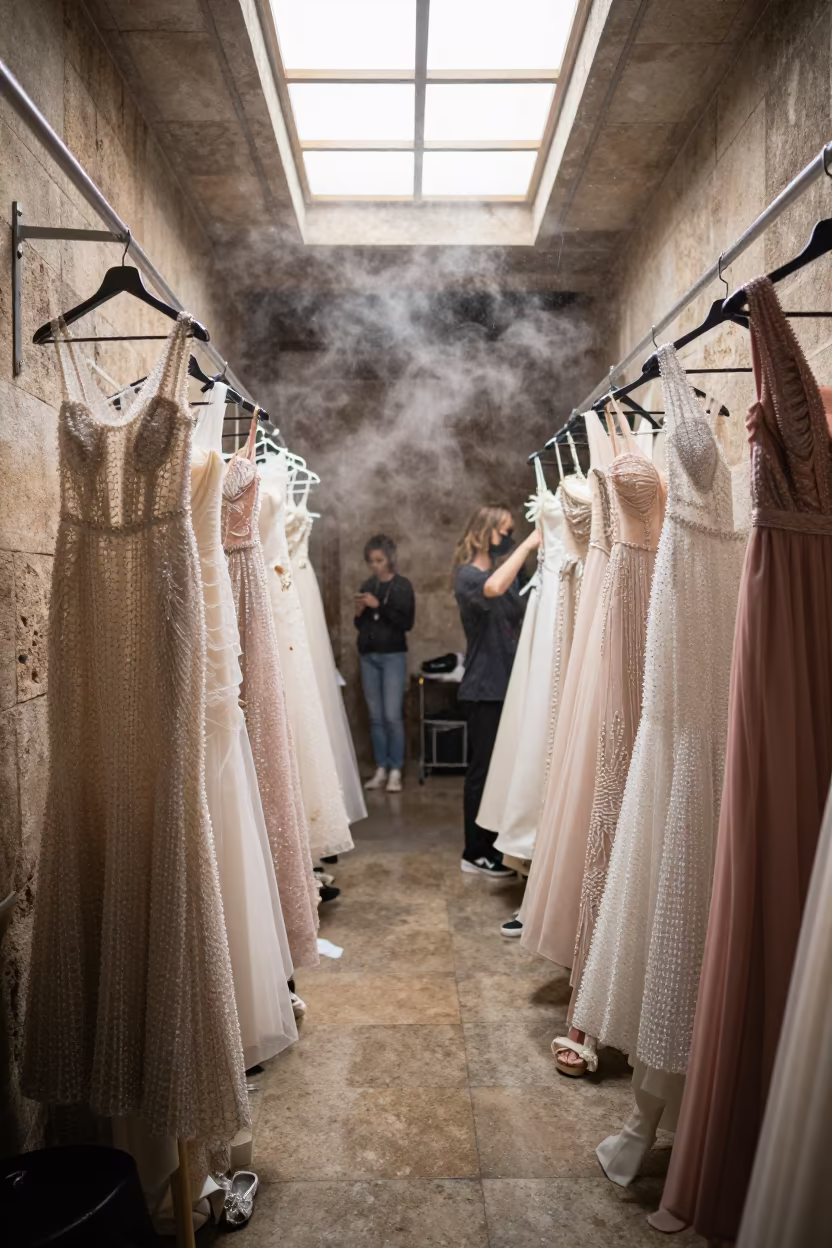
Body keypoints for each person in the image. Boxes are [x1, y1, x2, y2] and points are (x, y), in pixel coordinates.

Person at [453, 503, 541, 877]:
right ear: (485, 531)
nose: (509, 536)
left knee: (503, 769)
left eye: (512, 531)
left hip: (509, 681)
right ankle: (474, 851)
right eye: (504, 530)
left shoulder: (509, 574)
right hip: (483, 686)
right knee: (482, 771)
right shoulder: (468, 576)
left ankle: (496, 845)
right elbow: (493, 587)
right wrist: (528, 546)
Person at [354, 535, 415, 794]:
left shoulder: (402, 586)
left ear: (390, 558)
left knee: (392, 716)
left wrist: (378, 605)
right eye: (371, 561)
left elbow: (406, 623)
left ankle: (396, 770)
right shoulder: (368, 585)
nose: (375, 566)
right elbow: (360, 626)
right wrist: (360, 612)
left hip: (392, 656)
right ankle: (381, 768)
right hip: (369, 656)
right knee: (376, 717)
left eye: (379, 560)